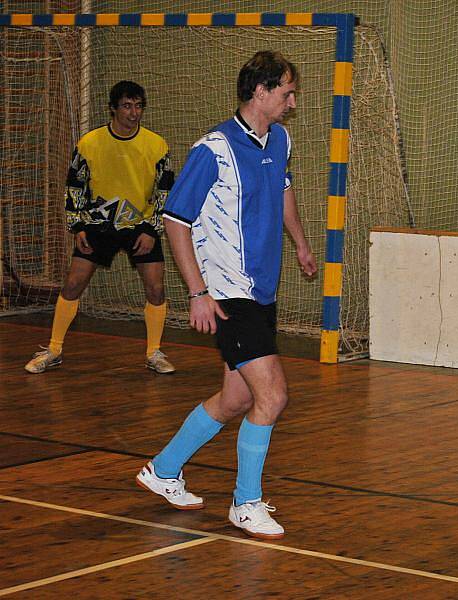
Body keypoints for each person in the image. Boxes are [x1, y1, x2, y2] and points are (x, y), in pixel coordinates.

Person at [135, 51, 317, 539]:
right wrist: (197, 291)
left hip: (262, 289)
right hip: (227, 292)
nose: (292, 101)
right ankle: (246, 502)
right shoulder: (212, 149)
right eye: (286, 91)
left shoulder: (279, 139)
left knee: (236, 398)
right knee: (273, 396)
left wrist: (300, 243)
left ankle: (163, 469)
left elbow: (282, 192)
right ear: (259, 91)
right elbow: (175, 220)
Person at [25, 81, 176, 375]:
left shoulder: (157, 145)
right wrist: (78, 226)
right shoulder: (89, 143)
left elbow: (165, 192)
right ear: (113, 108)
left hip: (140, 225)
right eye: (127, 106)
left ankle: (154, 353)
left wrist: (152, 230)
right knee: (72, 285)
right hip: (97, 224)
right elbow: (74, 187)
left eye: (139, 106)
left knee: (156, 289)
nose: (134, 113)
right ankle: (54, 349)